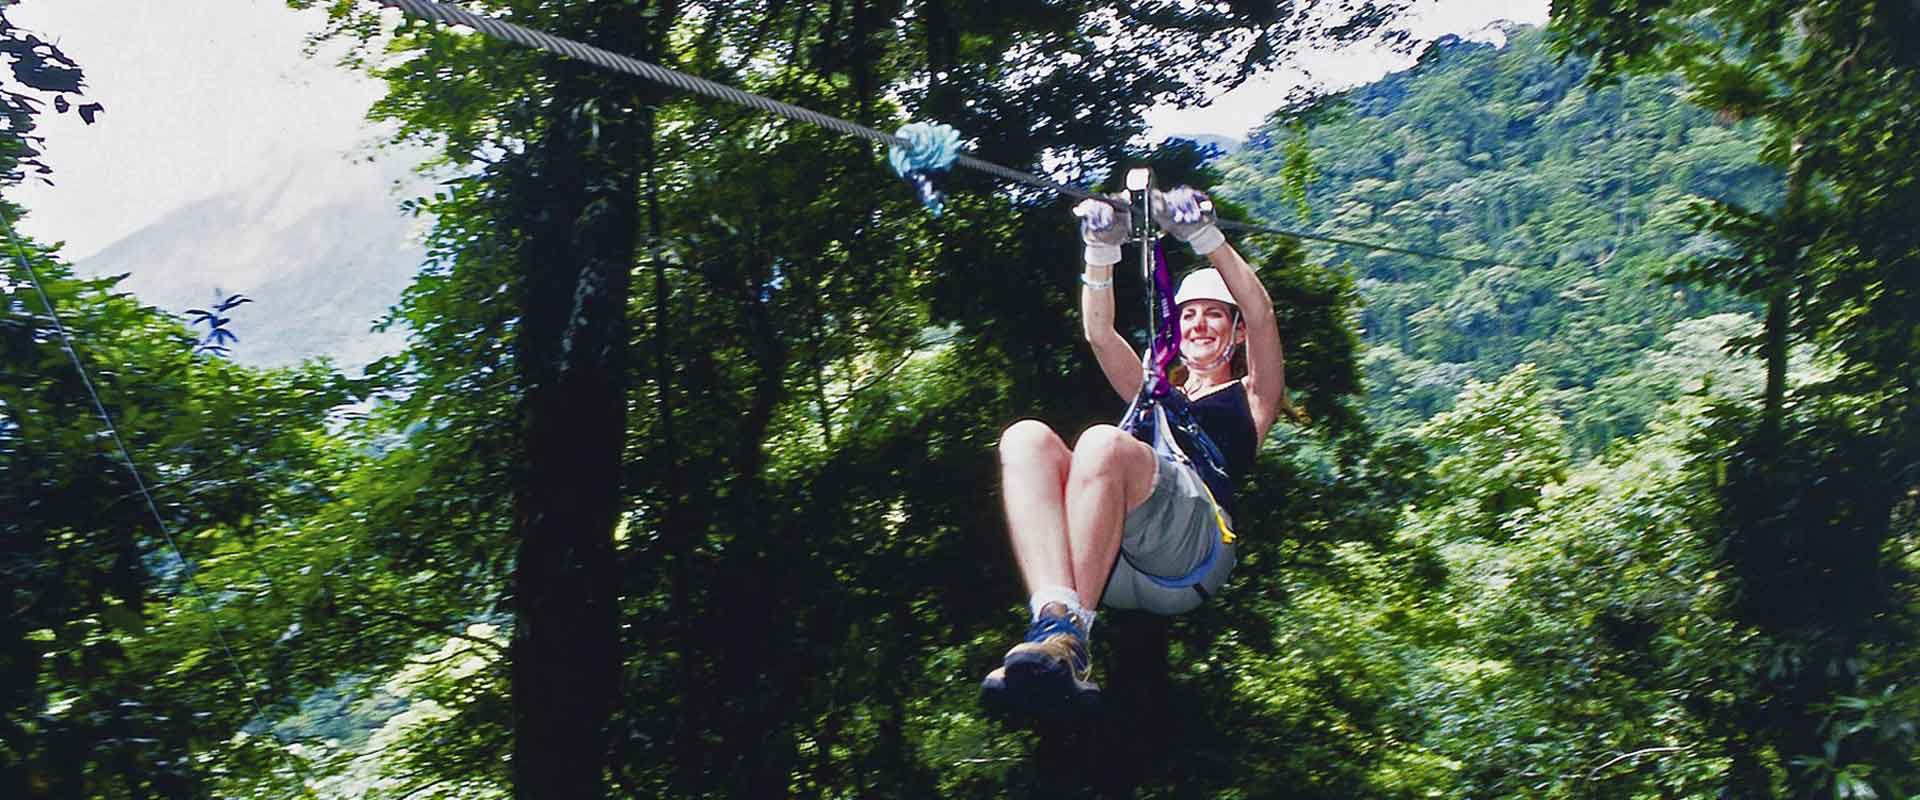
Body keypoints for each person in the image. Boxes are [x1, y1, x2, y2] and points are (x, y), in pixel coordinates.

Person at [980, 186, 1295, 718]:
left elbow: (1262, 312)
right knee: (1025, 439)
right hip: (1116, 555)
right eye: (1188, 314)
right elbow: (1099, 333)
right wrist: (1100, 248)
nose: (1197, 324)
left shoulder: (1252, 398)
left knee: (1102, 442)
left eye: (1214, 315)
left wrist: (1204, 235)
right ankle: (1053, 620)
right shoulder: (1154, 393)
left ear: (1236, 333)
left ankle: (1072, 636)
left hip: (1192, 545)